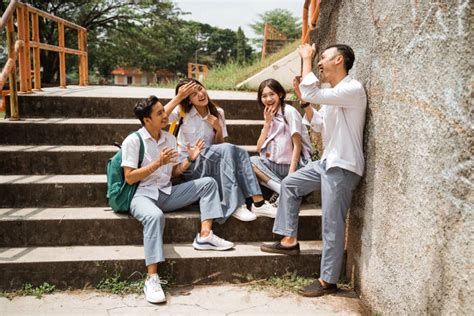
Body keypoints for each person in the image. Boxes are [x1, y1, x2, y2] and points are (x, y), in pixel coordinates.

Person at [260, 43, 367, 297]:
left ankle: (327, 281)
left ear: (339, 60)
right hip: (328, 162)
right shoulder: (334, 93)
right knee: (290, 183)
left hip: (343, 167)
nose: (319, 62)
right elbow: (318, 125)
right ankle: (288, 240)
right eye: (316, 58)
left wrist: (306, 59)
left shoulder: (352, 89)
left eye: (324, 58)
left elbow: (311, 89)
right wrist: (306, 102)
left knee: (331, 223)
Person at [122, 96, 234, 303]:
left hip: (166, 192)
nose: (166, 115)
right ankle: (152, 278)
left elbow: (172, 173)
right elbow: (129, 177)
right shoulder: (133, 141)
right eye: (159, 113)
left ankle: (205, 235)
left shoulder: (170, 138)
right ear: (147, 120)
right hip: (141, 196)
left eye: (163, 111)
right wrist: (157, 163)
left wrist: (188, 161)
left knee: (208, 183)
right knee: (155, 217)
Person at [164, 78, 276, 221]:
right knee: (234, 151)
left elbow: (220, 144)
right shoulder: (181, 113)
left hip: (214, 161)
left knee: (233, 151)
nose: (200, 94)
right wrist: (178, 98)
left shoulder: (218, 112)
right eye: (193, 94)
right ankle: (242, 204)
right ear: (189, 100)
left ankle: (257, 203)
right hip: (192, 165)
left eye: (200, 88)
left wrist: (217, 129)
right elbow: (158, 117)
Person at [250, 78, 312, 216]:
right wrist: (267, 124)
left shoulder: (289, 112)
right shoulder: (270, 116)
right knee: (248, 162)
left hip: (295, 166)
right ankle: (284, 190)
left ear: (280, 94)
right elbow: (258, 149)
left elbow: (297, 146)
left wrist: (291, 176)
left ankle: (286, 188)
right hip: (276, 165)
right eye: (264, 96)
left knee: (250, 163)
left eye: (272, 94)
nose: (268, 99)